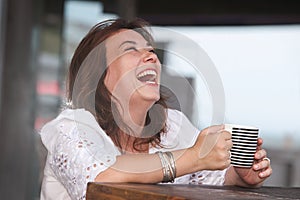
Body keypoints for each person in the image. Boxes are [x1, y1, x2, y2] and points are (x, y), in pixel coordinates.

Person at [40, 18, 272, 200]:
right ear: (99, 75)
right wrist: (194, 157)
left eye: (150, 50)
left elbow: (210, 178)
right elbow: (100, 177)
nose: (151, 56)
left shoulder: (173, 125)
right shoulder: (71, 127)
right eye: (130, 49)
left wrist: (238, 177)